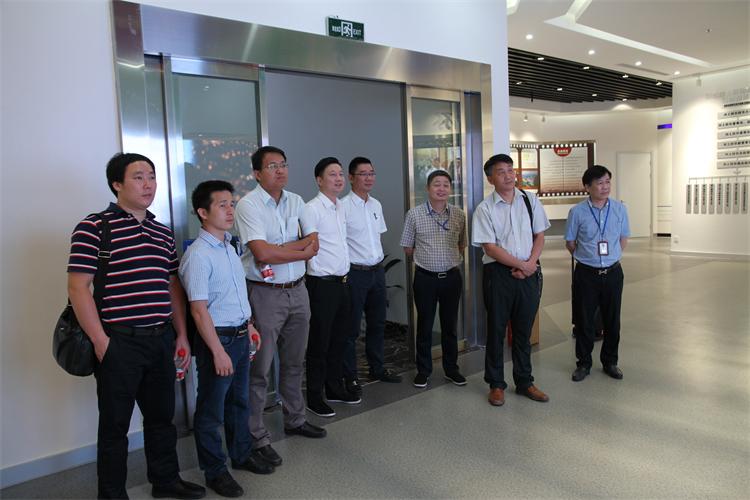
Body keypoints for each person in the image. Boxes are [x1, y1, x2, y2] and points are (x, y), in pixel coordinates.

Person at [67, 153, 205, 499]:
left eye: (152, 177)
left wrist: (181, 335)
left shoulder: (162, 232)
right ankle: (112, 493)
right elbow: (78, 287)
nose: (148, 185)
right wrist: (101, 342)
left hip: (160, 339)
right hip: (119, 342)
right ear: (117, 184)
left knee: (162, 419)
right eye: (139, 177)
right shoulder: (94, 227)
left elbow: (171, 285)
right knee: (114, 426)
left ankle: (165, 481)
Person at [179, 181, 274, 498]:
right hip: (217, 340)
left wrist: (250, 325)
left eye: (231, 203)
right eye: (222, 205)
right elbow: (198, 310)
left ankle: (241, 454)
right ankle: (215, 471)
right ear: (203, 212)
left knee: (239, 401)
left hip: (240, 335)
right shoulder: (198, 255)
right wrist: (217, 351)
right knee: (211, 411)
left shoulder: (230, 247)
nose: (230, 210)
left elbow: (235, 294)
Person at [235, 146, 326, 470]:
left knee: (294, 362)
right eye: (272, 166)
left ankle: (295, 419)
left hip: (298, 290)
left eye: (283, 164)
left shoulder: (297, 201)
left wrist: (280, 249)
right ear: (257, 173)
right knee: (259, 370)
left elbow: (314, 243)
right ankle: (256, 436)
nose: (280, 170)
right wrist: (296, 249)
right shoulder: (248, 205)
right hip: (265, 294)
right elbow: (262, 254)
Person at [471, 153, 550, 407]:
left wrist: (530, 265)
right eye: (501, 171)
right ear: (490, 178)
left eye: (510, 169)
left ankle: (525, 381)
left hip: (528, 271)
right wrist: (522, 265)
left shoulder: (530, 200)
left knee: (523, 331)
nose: (508, 175)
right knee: (496, 330)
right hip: (498, 275)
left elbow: (540, 236)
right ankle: (496, 384)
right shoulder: (485, 209)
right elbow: (490, 248)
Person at [300, 157, 361, 417]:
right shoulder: (311, 209)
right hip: (321, 285)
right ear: (319, 180)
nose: (338, 179)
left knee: (340, 340)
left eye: (340, 174)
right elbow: (310, 245)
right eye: (332, 174)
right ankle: (314, 396)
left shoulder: (340, 207)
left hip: (343, 282)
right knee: (319, 342)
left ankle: (334, 388)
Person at [341, 157, 402, 397]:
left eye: (372, 173)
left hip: (377, 271)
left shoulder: (376, 204)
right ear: (351, 178)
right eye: (363, 174)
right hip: (354, 273)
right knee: (351, 329)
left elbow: (376, 238)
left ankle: (377, 368)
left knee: (377, 324)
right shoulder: (343, 207)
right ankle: (350, 376)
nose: (369, 178)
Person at [400, 170, 467, 389]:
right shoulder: (414, 214)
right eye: (437, 184)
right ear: (428, 188)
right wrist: (426, 259)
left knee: (450, 326)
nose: (441, 189)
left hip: (452, 278)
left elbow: (462, 244)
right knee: (425, 325)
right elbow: (408, 247)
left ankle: (451, 369)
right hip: (425, 278)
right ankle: (423, 371)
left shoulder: (459, 215)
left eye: (446, 185)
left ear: (450, 189)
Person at [565, 165, 630, 382]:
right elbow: (571, 242)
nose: (605, 187)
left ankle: (610, 361)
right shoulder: (577, 212)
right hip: (586, 274)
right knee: (584, 320)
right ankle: (583, 363)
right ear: (587, 187)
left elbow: (623, 239)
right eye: (600, 183)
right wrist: (588, 258)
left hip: (613, 272)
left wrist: (611, 258)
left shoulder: (620, 209)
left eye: (607, 182)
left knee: (612, 320)